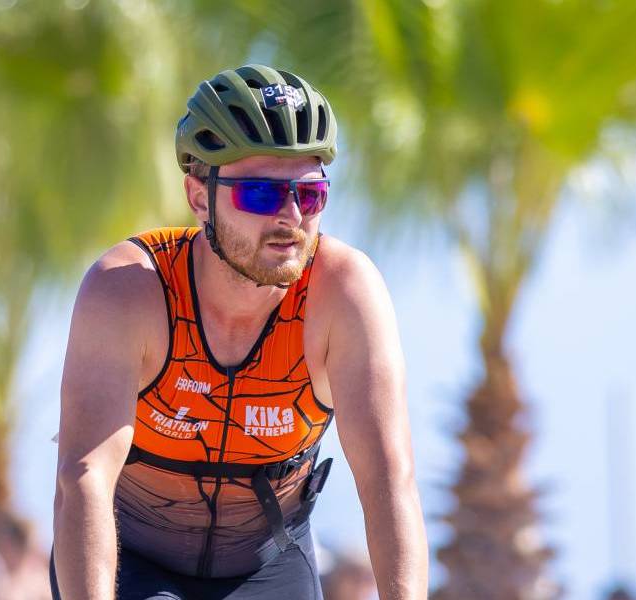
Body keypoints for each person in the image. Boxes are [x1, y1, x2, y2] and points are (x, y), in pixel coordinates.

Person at [52, 63, 429, 600]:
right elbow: (82, 481)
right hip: (131, 563)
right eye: (259, 194)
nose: (291, 217)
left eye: (311, 194)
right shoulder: (129, 290)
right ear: (199, 195)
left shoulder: (344, 294)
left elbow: (390, 484)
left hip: (268, 566)